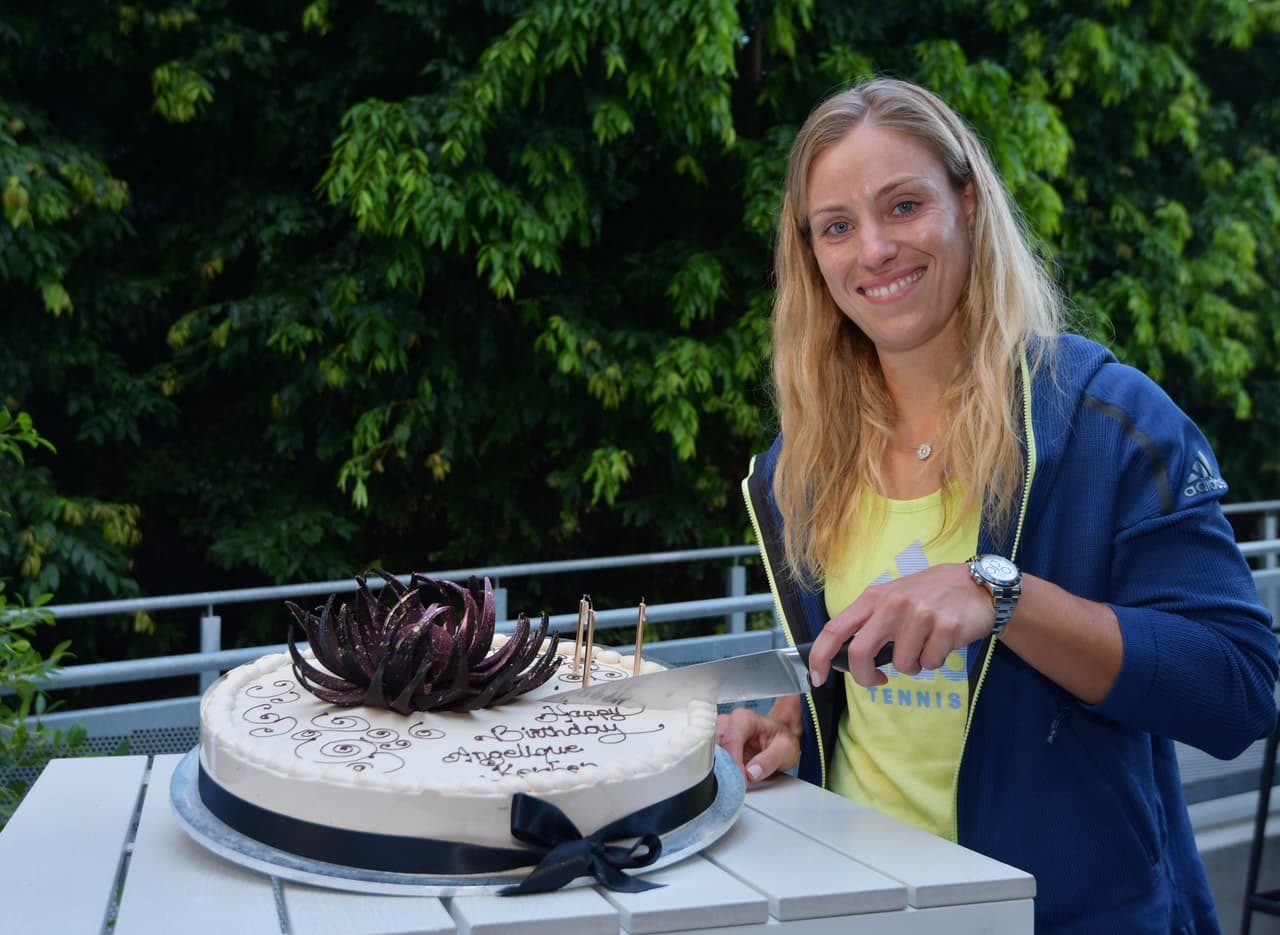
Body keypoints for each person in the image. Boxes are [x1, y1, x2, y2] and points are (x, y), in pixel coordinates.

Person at [715, 76, 1279, 934]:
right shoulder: (800, 466)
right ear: (812, 255)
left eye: (903, 206)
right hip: (854, 910)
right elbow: (881, 696)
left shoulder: (1107, 420)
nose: (873, 249)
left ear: (968, 204)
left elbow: (1238, 688)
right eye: (838, 226)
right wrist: (805, 722)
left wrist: (1001, 594)